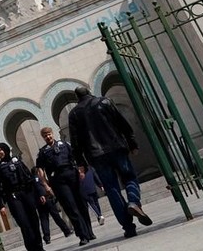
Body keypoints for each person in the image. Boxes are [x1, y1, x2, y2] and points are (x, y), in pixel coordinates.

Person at [69, 86, 153, 239]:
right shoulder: (104, 102)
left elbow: (75, 142)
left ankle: (128, 227)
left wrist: (81, 162)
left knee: (112, 189)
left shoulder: (74, 113)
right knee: (129, 178)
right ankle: (133, 202)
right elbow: (122, 123)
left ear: (77, 98)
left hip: (96, 156)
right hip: (116, 148)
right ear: (88, 91)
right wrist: (132, 143)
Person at [36, 127, 95, 246]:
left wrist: (81, 170)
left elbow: (76, 157)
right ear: (43, 138)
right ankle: (82, 235)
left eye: (49, 134)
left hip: (72, 175)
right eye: (45, 136)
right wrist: (45, 185)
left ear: (53, 134)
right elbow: (40, 169)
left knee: (82, 204)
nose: (48, 137)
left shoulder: (64, 144)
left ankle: (89, 232)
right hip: (58, 180)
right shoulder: (43, 152)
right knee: (70, 206)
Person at [0, 143, 44, 251]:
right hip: (13, 197)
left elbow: (30, 177)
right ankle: (32, 248)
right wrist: (1, 205)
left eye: (0, 150)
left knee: (34, 221)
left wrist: (40, 193)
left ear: (6, 150)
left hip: (27, 193)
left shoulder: (18, 161)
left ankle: (39, 247)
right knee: (24, 224)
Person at [31, 166, 72, 245]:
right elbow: (39, 187)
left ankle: (47, 237)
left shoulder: (33, 179)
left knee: (44, 220)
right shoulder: (36, 178)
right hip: (45, 199)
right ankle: (66, 230)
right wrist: (42, 195)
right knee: (55, 216)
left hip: (39, 202)